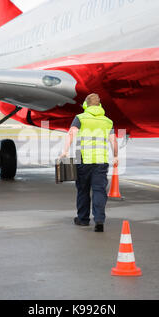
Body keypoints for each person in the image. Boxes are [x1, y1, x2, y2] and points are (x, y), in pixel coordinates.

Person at [59, 93, 118, 232]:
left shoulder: (80, 118)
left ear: (86, 104)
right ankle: (99, 220)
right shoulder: (107, 121)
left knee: (83, 190)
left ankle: (83, 219)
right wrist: (115, 155)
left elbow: (71, 133)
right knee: (99, 190)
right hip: (101, 161)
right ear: (99, 105)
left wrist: (65, 151)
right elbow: (113, 140)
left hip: (83, 160)